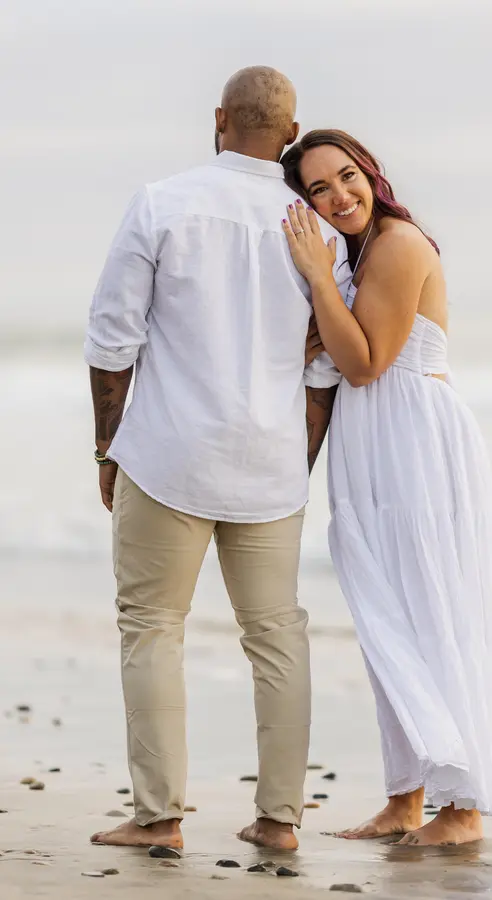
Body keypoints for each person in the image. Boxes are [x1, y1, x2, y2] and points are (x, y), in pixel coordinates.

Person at [83, 71, 348, 853]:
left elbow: (111, 340)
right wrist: (294, 462)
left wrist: (106, 446)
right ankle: (280, 821)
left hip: (168, 454)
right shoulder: (320, 231)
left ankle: (159, 818)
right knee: (277, 634)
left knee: (151, 627)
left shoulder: (162, 203)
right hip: (270, 466)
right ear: (291, 131)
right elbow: (323, 369)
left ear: (220, 118)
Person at [281, 130, 492, 847]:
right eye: (319, 189)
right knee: (387, 617)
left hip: (417, 443)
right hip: (371, 443)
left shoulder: (396, 245)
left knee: (439, 610)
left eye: (347, 176)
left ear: (370, 172)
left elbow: (365, 363)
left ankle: (463, 809)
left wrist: (317, 279)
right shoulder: (357, 253)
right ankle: (405, 799)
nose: (340, 196)